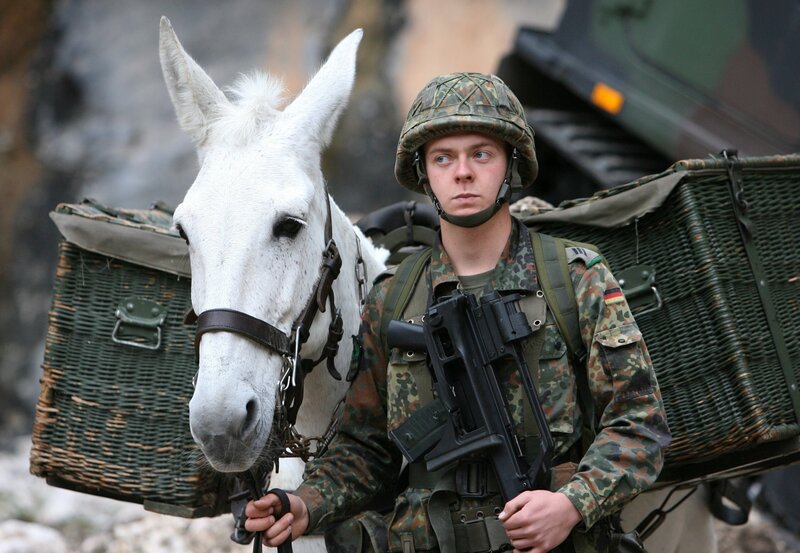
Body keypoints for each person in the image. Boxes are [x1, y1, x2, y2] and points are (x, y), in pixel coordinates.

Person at [245, 72, 671, 553]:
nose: (462, 172)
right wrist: (306, 503)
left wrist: (572, 504)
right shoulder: (393, 298)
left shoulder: (573, 277)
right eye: (443, 158)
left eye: (481, 154)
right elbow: (367, 448)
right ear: (424, 174)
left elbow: (640, 423)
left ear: (510, 163)